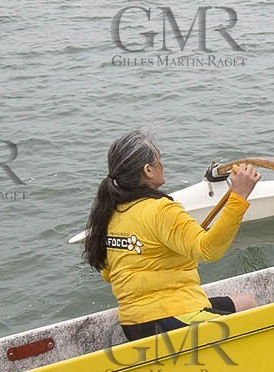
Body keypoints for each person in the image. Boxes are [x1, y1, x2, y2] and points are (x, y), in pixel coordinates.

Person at [84, 131, 261, 342]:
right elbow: (209, 249)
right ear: (148, 170)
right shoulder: (161, 210)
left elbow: (110, 273)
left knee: (248, 302)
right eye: (159, 159)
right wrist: (239, 196)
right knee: (257, 326)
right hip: (170, 319)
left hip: (134, 325)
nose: (162, 165)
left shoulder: (109, 214)